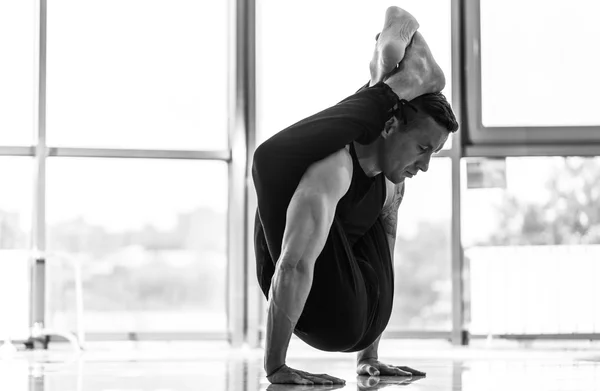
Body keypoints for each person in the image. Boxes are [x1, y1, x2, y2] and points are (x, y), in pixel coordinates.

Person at [252, 6, 459, 385]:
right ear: (392, 126)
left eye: (434, 154)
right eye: (422, 148)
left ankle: (391, 82)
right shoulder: (333, 169)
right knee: (272, 159)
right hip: (323, 314)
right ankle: (391, 85)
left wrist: (371, 355)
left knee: (277, 162)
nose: (426, 165)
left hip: (361, 319)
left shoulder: (393, 185)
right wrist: (276, 366)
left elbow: (384, 261)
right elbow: (293, 265)